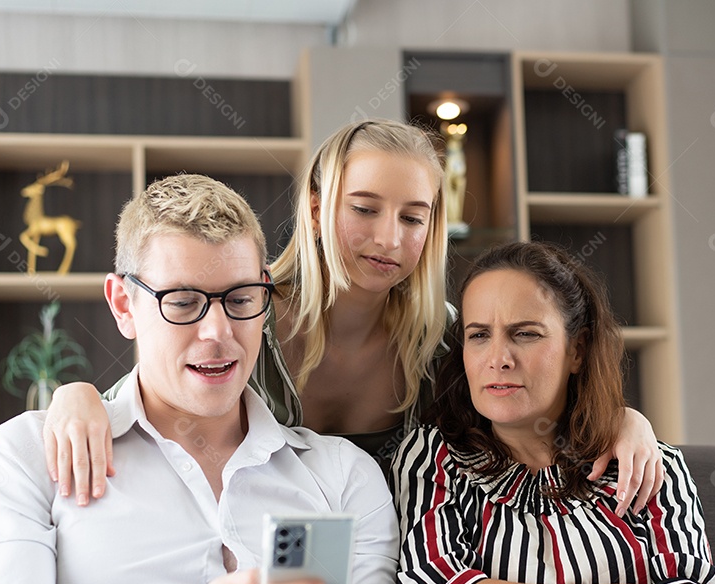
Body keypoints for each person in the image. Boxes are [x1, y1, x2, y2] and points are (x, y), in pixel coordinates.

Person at [0, 174, 645, 584]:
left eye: (240, 299)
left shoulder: (341, 474)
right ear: (124, 304)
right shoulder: (28, 454)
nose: (217, 335)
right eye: (182, 302)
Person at [42, 119, 665, 514]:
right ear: (316, 209)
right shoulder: (243, 308)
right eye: (363, 209)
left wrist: (625, 418)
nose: (388, 239)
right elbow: (158, 391)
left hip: (409, 583)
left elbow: (538, 400)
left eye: (412, 217)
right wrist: (77, 395)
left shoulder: (447, 338)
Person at [390, 242, 715, 584]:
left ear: (576, 350)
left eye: (525, 334)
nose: (498, 358)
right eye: (479, 336)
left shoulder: (648, 464)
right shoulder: (432, 457)